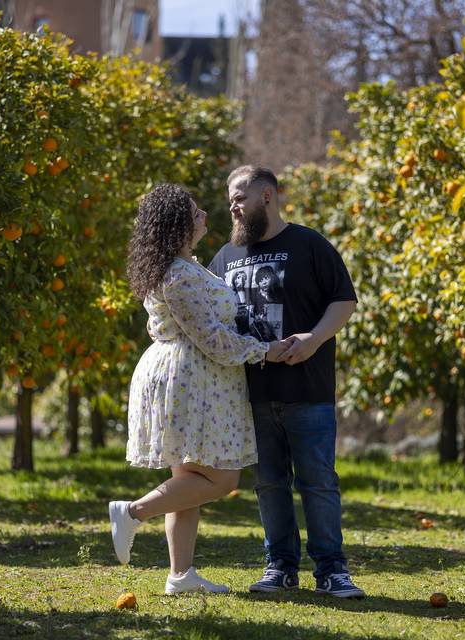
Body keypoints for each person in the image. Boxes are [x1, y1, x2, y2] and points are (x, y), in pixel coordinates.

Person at [110, 183, 290, 595]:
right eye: (195, 212)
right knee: (222, 478)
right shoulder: (177, 275)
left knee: (189, 476)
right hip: (192, 378)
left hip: (194, 377)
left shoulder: (184, 267)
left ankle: (181, 575)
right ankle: (133, 512)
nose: (205, 215)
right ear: (178, 223)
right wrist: (266, 350)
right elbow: (210, 338)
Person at [208, 166, 364, 599]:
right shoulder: (224, 258)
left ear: (268, 195)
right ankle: (280, 567)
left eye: (240, 196)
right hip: (252, 396)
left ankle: (333, 571)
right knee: (270, 483)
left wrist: (315, 339)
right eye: (230, 199)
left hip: (307, 391)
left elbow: (343, 300)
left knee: (317, 482)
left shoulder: (309, 244)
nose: (233, 206)